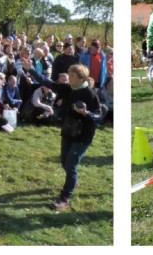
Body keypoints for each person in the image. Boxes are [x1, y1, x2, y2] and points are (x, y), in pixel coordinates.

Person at [27, 64, 102, 210]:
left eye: (72, 76)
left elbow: (99, 115)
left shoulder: (90, 94)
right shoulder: (67, 88)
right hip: (68, 131)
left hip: (83, 135)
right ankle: (73, 182)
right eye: (69, 74)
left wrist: (86, 113)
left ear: (81, 78)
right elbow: (47, 82)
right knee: (64, 162)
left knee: (71, 165)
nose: (69, 78)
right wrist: (30, 69)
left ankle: (65, 198)